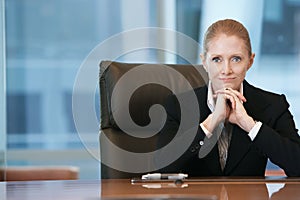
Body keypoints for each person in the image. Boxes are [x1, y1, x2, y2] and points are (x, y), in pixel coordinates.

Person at [157, 19, 300, 177]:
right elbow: (162, 168)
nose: (226, 70)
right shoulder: (177, 106)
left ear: (250, 61)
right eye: (217, 59)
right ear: (204, 62)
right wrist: (210, 123)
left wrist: (250, 126)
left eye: (236, 59)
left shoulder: (273, 105)